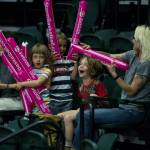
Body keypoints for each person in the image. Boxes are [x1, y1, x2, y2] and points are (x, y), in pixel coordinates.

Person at [72, 25, 150, 150]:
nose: (132, 40)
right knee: (81, 115)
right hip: (124, 108)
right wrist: (91, 51)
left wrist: (114, 75)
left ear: (141, 41)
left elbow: (131, 91)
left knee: (85, 116)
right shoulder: (133, 55)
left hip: (134, 111)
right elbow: (110, 56)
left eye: (134, 39)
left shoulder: (146, 63)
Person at [57, 56, 108, 150]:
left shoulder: (97, 84)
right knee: (58, 116)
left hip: (93, 112)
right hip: (82, 110)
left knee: (68, 118)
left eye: (85, 65)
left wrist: (97, 98)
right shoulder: (81, 85)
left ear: (92, 71)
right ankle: (58, 142)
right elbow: (82, 100)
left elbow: (105, 102)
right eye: (80, 64)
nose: (81, 66)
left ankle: (68, 145)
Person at [0, 43, 52, 114]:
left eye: (41, 57)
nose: (38, 60)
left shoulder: (47, 70)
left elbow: (38, 83)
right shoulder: (29, 71)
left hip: (44, 105)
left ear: (45, 58)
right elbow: (19, 86)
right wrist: (6, 86)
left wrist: (22, 84)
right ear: (31, 58)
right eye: (35, 57)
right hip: (31, 105)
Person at [48, 31, 79, 114]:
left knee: (65, 123)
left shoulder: (68, 60)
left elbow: (73, 78)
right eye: (59, 46)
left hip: (67, 100)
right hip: (53, 99)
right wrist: (51, 62)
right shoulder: (47, 61)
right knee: (53, 123)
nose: (62, 48)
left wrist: (76, 62)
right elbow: (47, 79)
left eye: (64, 46)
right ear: (50, 46)